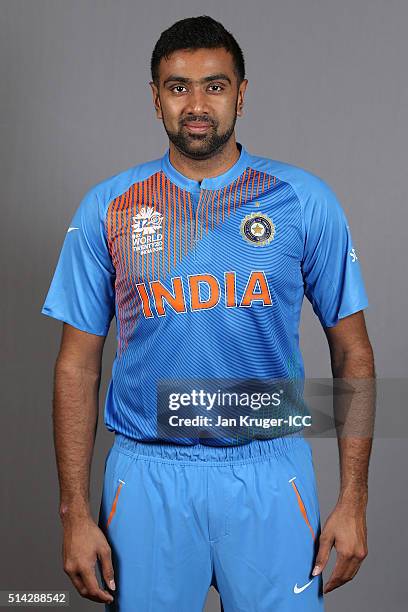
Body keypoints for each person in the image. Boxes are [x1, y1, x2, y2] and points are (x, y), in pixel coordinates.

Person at [41, 15, 375, 612]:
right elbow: (77, 366)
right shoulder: (110, 207)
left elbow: (352, 349)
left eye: (214, 86)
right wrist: (72, 513)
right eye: (178, 87)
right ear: (155, 98)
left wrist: (354, 500)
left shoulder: (301, 200)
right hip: (146, 474)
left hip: (270, 469)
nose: (197, 104)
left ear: (241, 94)